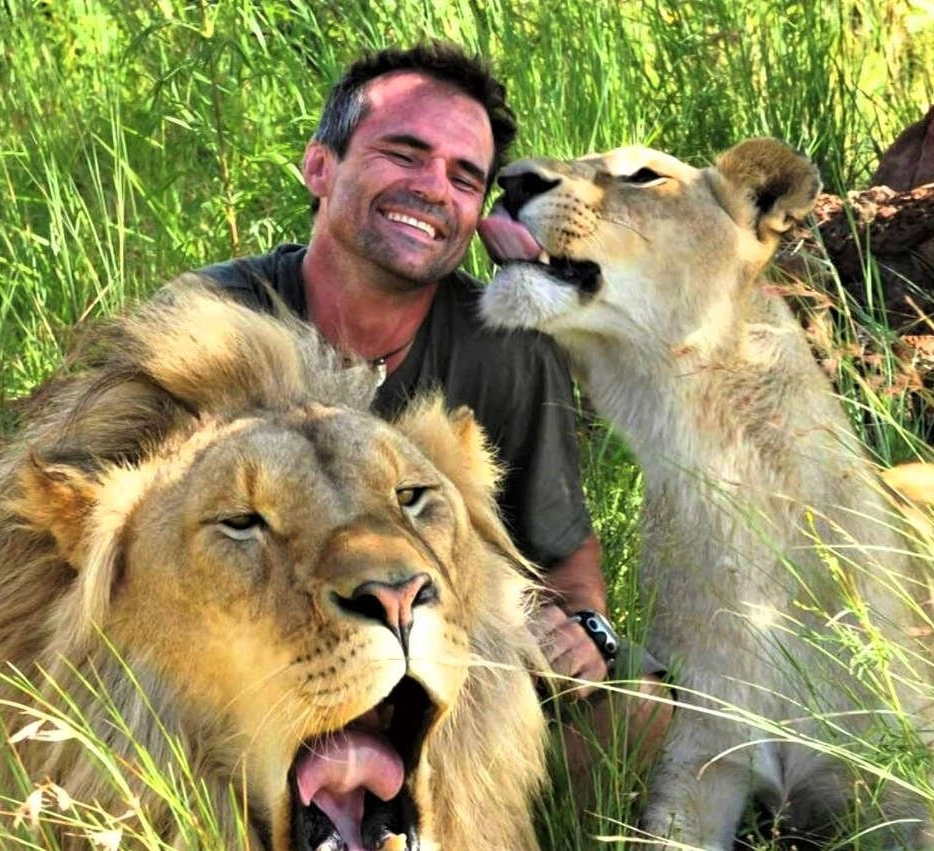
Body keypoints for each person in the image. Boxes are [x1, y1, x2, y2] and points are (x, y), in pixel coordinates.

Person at [195, 42, 670, 790]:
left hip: (446, 649)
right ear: (320, 166)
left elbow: (564, 555)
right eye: (404, 155)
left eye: (463, 178)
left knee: (639, 707)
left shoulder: (509, 349)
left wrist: (585, 630)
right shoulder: (208, 323)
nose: (432, 189)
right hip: (263, 651)